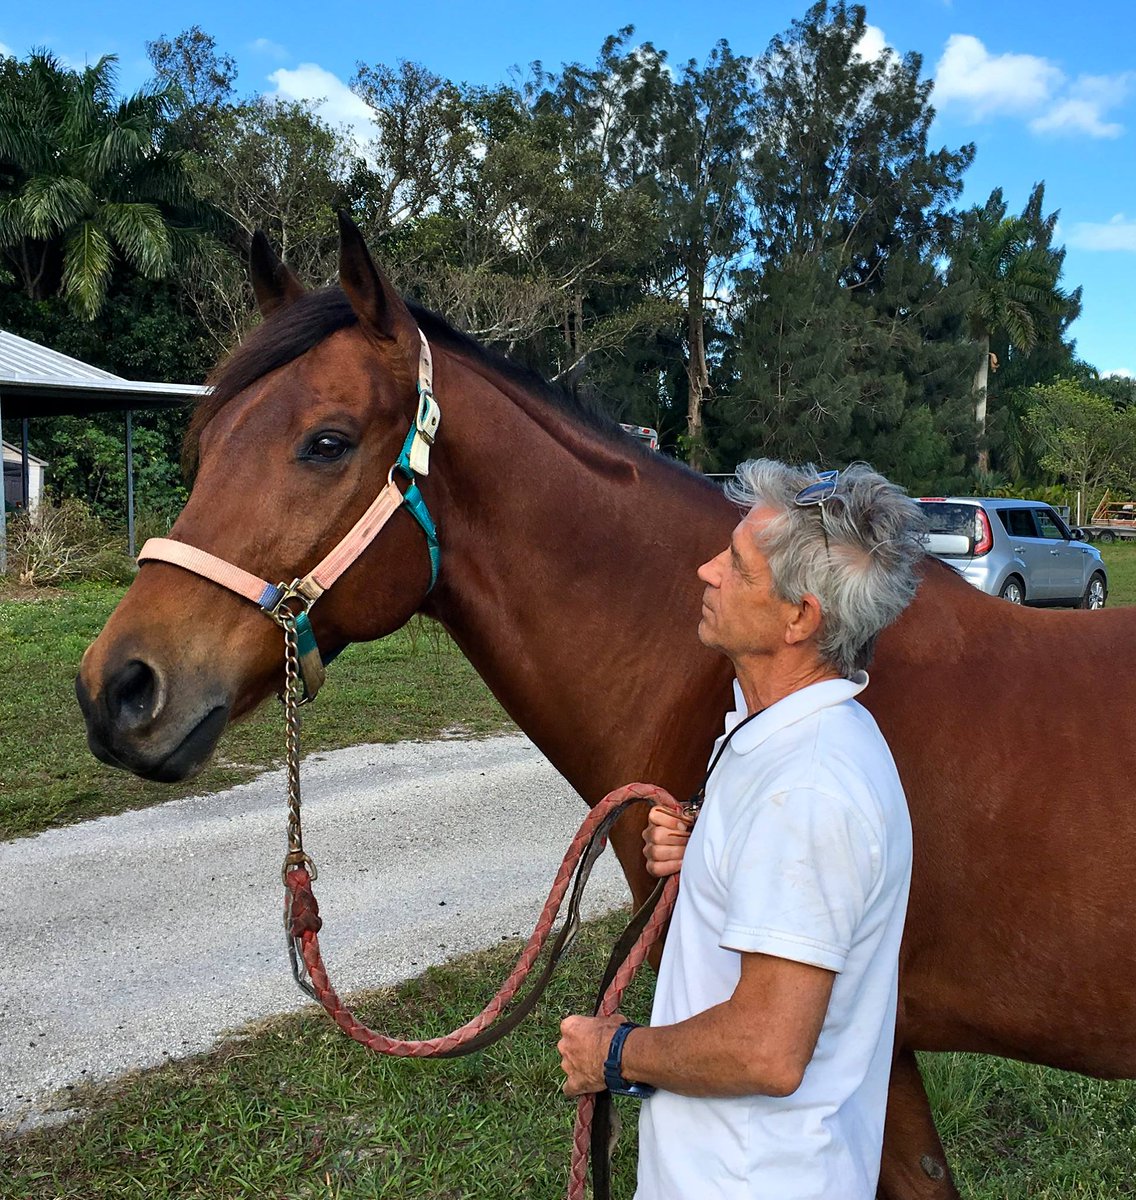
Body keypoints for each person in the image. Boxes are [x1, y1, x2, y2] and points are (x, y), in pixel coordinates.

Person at [558, 459, 927, 1199]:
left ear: (800, 618)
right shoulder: (791, 737)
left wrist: (615, 1052)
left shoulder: (810, 787)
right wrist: (714, 857)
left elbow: (766, 1049)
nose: (705, 570)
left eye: (734, 565)